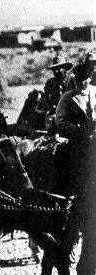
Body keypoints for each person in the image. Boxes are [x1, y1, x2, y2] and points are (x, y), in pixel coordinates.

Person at [54, 63, 95, 194]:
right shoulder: (67, 97)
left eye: (85, 79)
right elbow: (59, 120)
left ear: (90, 78)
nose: (82, 82)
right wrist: (76, 128)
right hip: (78, 140)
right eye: (78, 79)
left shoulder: (95, 92)